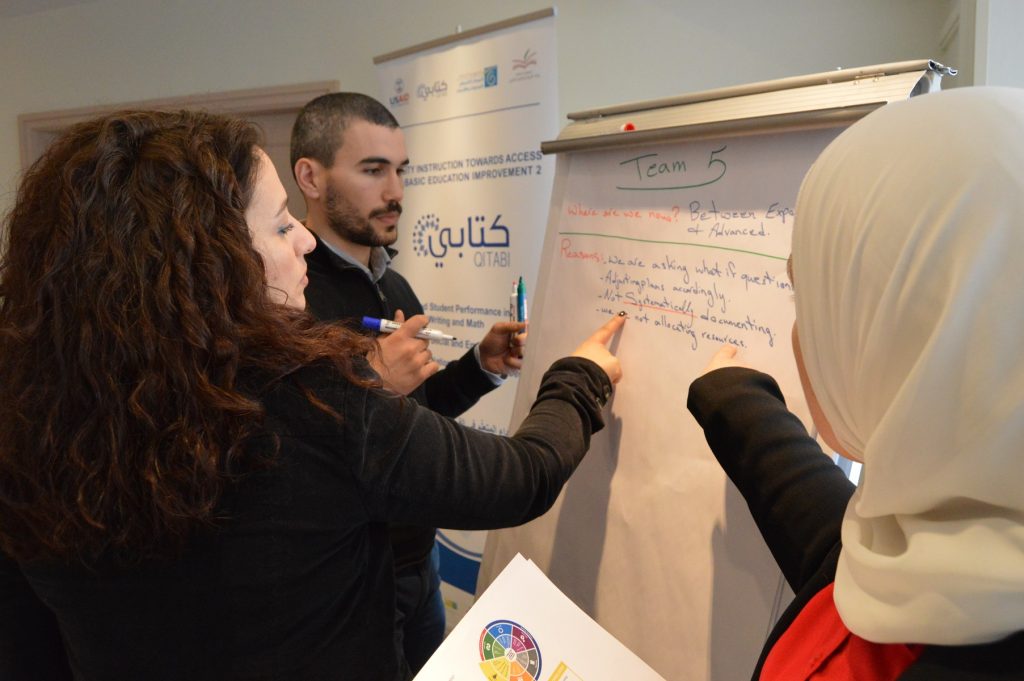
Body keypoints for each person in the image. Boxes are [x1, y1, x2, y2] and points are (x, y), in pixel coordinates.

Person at [0, 109, 624, 681]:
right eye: (278, 226)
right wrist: (579, 375)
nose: (302, 238)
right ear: (202, 263)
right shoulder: (308, 397)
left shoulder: (30, 416)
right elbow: (521, 477)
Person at [687, 87, 1024, 680]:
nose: (799, 332)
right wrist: (731, 396)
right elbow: (835, 549)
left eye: (812, 297)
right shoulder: (959, 555)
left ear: (912, 331)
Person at [289, 92, 527, 670]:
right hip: (354, 579)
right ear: (310, 177)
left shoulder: (393, 288)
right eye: (373, 170)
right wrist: (373, 384)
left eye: (401, 171)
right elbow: (295, 462)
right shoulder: (287, 299)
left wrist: (481, 367)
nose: (396, 191)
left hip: (421, 565)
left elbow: (418, 418)